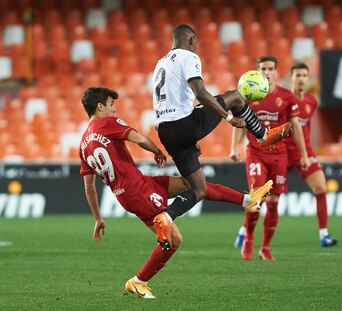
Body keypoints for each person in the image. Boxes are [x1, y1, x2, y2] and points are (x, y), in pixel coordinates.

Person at [79, 87, 272, 299]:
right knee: (174, 240)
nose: (114, 109)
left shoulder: (83, 145)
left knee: (195, 185)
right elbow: (140, 139)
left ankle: (248, 200)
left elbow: (89, 187)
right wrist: (158, 152)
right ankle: (138, 281)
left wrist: (98, 217)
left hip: (133, 189)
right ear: (100, 107)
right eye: (111, 104)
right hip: (138, 192)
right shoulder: (106, 123)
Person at [152, 24, 291, 249]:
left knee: (199, 189)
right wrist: (228, 118)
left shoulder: (161, 63)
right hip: (183, 124)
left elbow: (172, 103)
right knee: (234, 97)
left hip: (166, 131)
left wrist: (190, 138)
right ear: (191, 40)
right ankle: (263, 135)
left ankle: (167, 216)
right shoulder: (188, 56)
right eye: (195, 43)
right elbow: (200, 93)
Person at [230, 56, 310, 261]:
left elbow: (296, 127)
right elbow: (240, 123)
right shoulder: (247, 95)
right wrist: (235, 147)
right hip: (256, 153)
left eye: (270, 69)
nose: (267, 72)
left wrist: (304, 155)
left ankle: (265, 247)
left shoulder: (286, 97)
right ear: (257, 71)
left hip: (279, 155)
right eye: (263, 69)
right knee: (257, 199)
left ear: (276, 71)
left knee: (273, 203)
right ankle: (248, 238)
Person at [286, 62, 337, 247]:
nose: (301, 79)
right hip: (283, 153)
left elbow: (303, 128)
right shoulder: (283, 100)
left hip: (304, 152)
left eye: (304, 76)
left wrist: (305, 152)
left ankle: (324, 235)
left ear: (308, 79)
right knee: (266, 197)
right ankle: (245, 231)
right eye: (297, 75)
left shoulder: (311, 101)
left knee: (321, 189)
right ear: (291, 77)